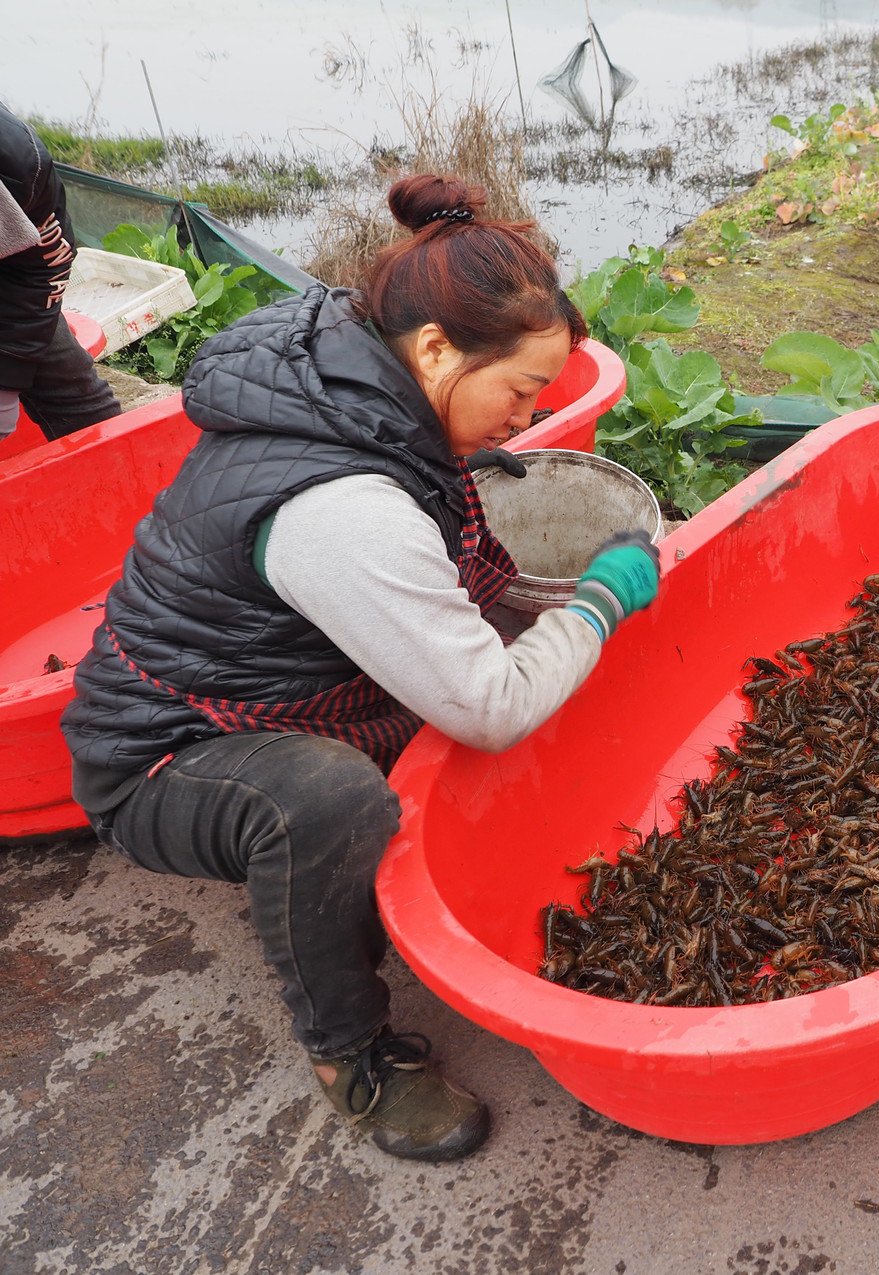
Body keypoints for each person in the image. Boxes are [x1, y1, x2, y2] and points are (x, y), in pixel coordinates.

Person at [61, 174, 661, 1162]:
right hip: (167, 755)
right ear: (436, 350)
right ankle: (351, 1057)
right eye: (519, 390)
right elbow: (489, 708)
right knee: (329, 805)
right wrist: (599, 599)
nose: (528, 414)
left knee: (478, 681)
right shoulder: (344, 506)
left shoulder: (359, 379)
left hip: (278, 688)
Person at [0, 104, 121, 439]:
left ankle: (111, 463)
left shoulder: (19, 167)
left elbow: (45, 263)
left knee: (79, 401)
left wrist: (7, 376)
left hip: (13, 273)